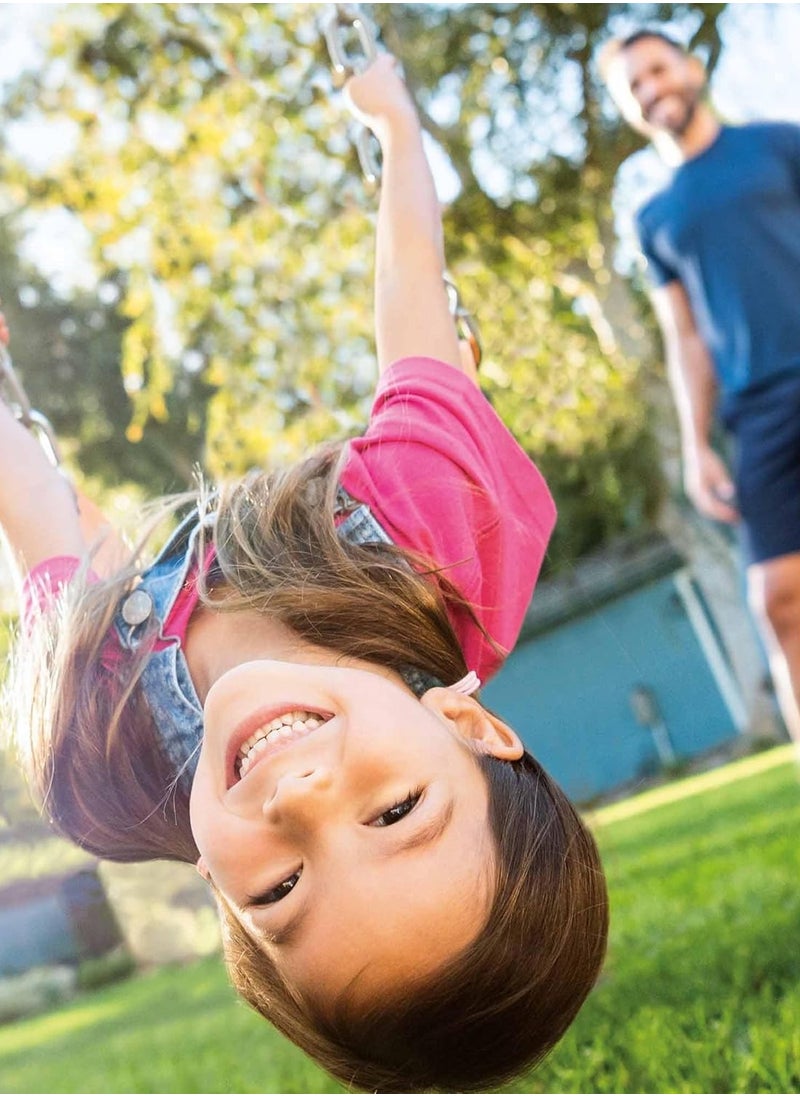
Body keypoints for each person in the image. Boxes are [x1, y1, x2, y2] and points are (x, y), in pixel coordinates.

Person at [1, 55, 608, 1093]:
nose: (301, 796)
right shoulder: (432, 543)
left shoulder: (101, 752)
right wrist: (397, 130)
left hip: (120, 615)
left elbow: (38, 527)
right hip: (337, 543)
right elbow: (415, 300)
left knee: (88, 561)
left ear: (221, 900)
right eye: (392, 814)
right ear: (467, 727)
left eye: (280, 888)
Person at [601, 29, 800, 746]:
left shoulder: (780, 145)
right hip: (759, 416)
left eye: (658, 70)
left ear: (689, 68)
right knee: (777, 600)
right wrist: (695, 446)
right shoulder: (653, 219)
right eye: (635, 87)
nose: (653, 88)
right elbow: (686, 338)